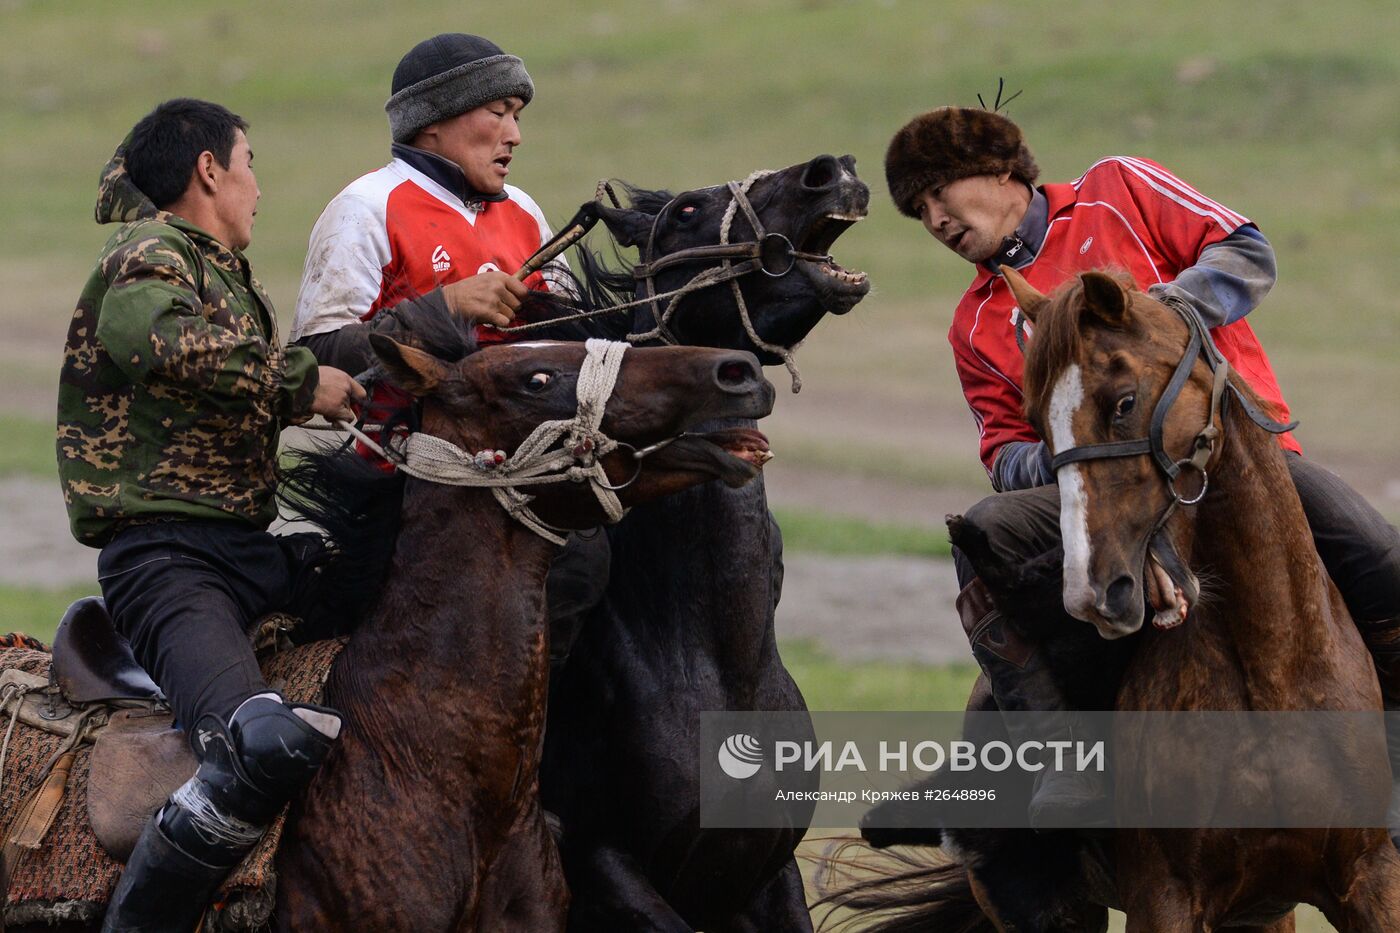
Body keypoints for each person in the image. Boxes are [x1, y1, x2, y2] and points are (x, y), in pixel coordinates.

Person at [884, 105, 1400, 831]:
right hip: (1105, 495)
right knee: (980, 535)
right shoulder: (975, 323)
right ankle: (1049, 755)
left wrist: (1158, 316)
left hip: (1237, 464)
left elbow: (1247, 252)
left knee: (1382, 557)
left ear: (1002, 171)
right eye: (917, 211)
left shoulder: (1117, 188)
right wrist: (1079, 448)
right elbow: (1002, 454)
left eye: (939, 192)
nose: (934, 218)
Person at [57, 98, 366, 931]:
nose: (258, 187)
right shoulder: (150, 252)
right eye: (250, 163)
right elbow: (154, 339)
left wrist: (442, 318)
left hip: (244, 551)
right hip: (166, 563)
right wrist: (300, 385)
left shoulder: (219, 274)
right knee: (253, 748)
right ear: (209, 171)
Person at [290, 33, 608, 661]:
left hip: (525, 468)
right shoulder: (366, 208)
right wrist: (450, 306)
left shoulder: (523, 212)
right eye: (499, 113)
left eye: (518, 116)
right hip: (408, 481)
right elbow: (320, 356)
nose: (515, 135)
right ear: (433, 123)